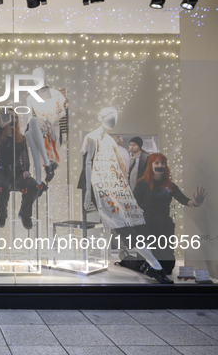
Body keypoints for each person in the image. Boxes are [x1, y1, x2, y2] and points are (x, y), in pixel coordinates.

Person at [79, 107, 172, 284]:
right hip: (104, 189)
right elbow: (88, 164)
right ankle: (156, 267)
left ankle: (153, 265)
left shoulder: (110, 141)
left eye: (115, 117)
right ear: (101, 117)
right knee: (126, 229)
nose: (113, 120)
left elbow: (120, 167)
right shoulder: (92, 138)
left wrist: (126, 189)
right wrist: (88, 192)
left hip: (119, 189)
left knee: (138, 226)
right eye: (109, 117)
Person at [121, 153, 207, 274]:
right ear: (150, 165)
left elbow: (182, 198)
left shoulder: (169, 185)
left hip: (164, 226)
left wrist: (195, 203)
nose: (160, 165)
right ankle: (125, 258)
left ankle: (128, 258)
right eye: (156, 163)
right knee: (145, 265)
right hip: (147, 226)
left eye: (162, 163)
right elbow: (134, 206)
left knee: (167, 268)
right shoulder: (141, 184)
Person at [0, 108, 43, 230]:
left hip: (17, 172)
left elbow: (25, 156)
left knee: (33, 186)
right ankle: (2, 214)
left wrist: (25, 170)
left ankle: (24, 214)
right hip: (2, 172)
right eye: (9, 117)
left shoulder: (21, 138)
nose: (12, 120)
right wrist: (2, 125)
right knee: (0, 186)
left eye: (15, 117)